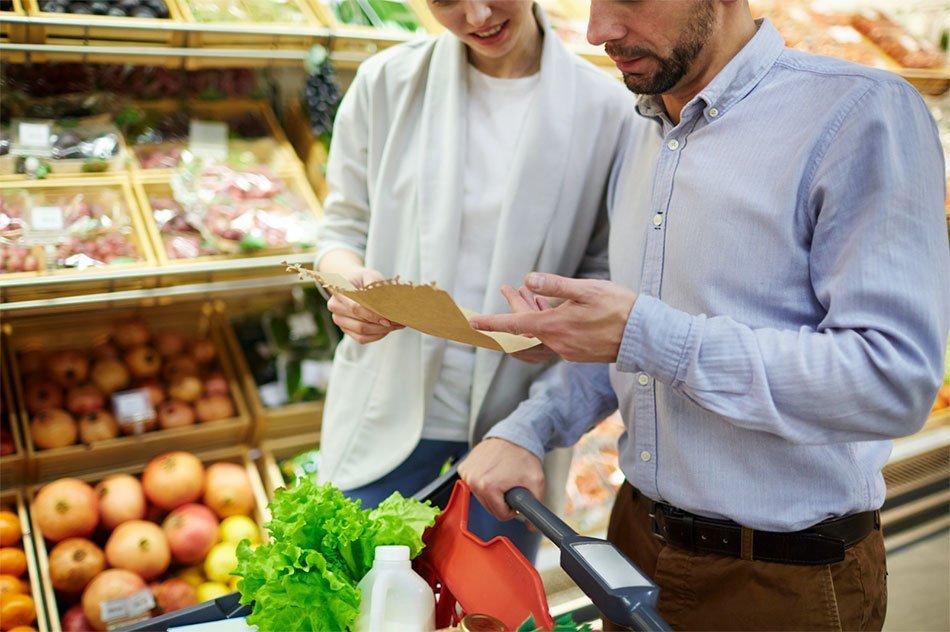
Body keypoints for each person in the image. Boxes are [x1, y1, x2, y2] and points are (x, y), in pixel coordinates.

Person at [460, 0, 950, 628]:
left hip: (781, 579)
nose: (598, 31)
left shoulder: (859, 114)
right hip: (633, 544)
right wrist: (530, 426)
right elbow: (629, 346)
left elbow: (892, 381)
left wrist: (648, 332)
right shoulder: (642, 132)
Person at [314, 0, 634, 561]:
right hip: (383, 410)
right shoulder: (385, 84)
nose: (478, 14)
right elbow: (341, 227)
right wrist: (346, 284)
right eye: (445, 1)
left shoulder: (610, 110)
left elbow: (607, 268)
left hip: (511, 427)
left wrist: (559, 318)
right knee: (352, 596)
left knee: (487, 608)